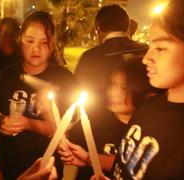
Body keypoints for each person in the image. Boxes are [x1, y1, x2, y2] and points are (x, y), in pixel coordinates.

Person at [61, 0, 184, 179]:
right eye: (151, 45)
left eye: (160, 48)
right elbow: (129, 163)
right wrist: (90, 159)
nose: (146, 58)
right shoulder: (149, 108)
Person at [0, 11, 76, 179]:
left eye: (44, 42)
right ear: (20, 40)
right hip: (9, 165)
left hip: (48, 169)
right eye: (30, 41)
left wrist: (29, 123)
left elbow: (64, 133)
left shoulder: (64, 79)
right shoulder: (6, 75)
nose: (37, 48)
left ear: (53, 44)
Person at [60, 56, 159, 179]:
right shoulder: (95, 120)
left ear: (142, 91)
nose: (112, 92)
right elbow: (69, 139)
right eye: (112, 84)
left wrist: (90, 158)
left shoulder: (150, 130)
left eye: (123, 87)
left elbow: (136, 166)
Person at [73, 4, 148, 138]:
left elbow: (76, 95)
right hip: (142, 132)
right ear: (127, 27)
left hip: (98, 132)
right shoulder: (146, 51)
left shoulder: (89, 57)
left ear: (98, 28)